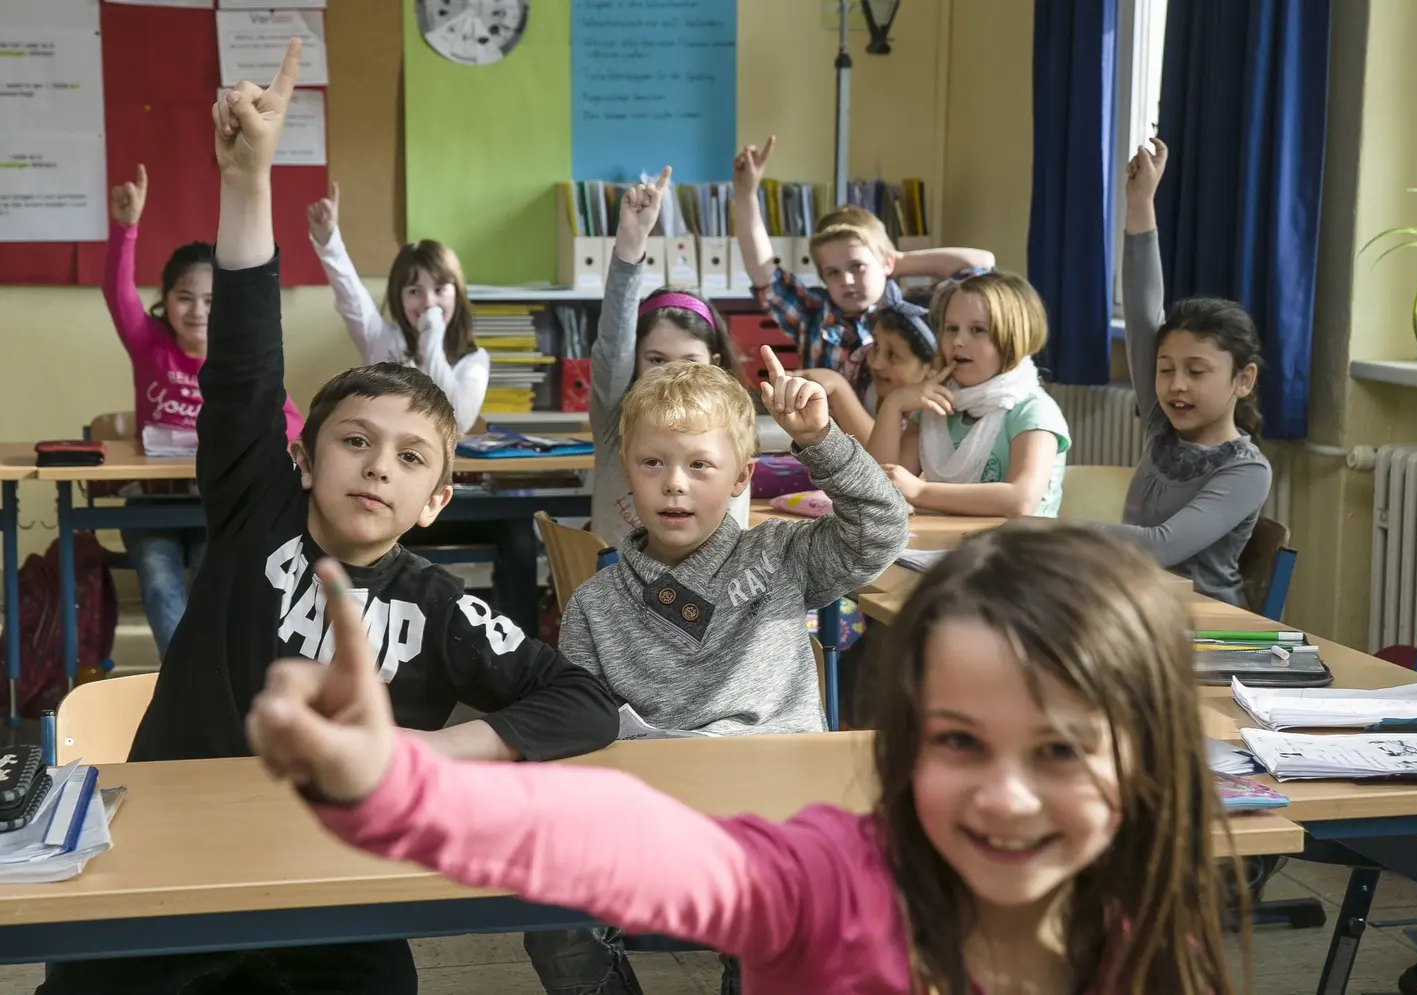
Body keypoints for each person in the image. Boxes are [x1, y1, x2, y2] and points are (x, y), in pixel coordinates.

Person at [39, 40, 618, 995]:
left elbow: (583, 700)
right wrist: (248, 176)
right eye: (353, 440)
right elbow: (244, 358)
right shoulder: (255, 505)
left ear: (436, 502)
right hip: (168, 879)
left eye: (410, 457)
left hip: (331, 897)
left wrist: (437, 748)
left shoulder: (438, 604)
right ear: (303, 455)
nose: (376, 465)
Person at [246, 521, 1248, 995]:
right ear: (901, 741)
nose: (1008, 793)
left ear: (1149, 757)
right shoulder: (830, 882)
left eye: (1062, 749)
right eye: (958, 740)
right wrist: (400, 783)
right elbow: (634, 842)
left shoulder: (1142, 920)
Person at [525, 350, 909, 995]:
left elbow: (882, 529)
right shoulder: (597, 602)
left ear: (740, 478)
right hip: (654, 814)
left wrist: (818, 440)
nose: (675, 484)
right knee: (552, 918)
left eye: (701, 465)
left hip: (776, 809)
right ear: (628, 473)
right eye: (654, 463)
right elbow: (577, 728)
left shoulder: (784, 557)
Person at [103, 162, 305, 658]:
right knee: (159, 584)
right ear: (165, 302)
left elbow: (290, 418)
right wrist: (126, 229)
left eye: (212, 300)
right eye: (185, 298)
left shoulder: (239, 362)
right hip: (151, 503)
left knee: (217, 589)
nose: (197, 311)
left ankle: (216, 684)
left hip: (218, 502)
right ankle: (180, 682)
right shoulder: (148, 344)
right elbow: (116, 292)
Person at [1101, 139, 1271, 606]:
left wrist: (1047, 532)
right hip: (1135, 609)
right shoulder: (1164, 422)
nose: (1176, 385)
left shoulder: (1247, 470)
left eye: (1196, 372)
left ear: (1244, 379)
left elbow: (1160, 545)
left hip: (1206, 629)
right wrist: (1140, 202)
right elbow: (1140, 310)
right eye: (1166, 369)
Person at [733, 134, 994, 371]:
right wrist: (746, 194)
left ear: (885, 262)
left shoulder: (915, 312)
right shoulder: (813, 312)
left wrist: (896, 263)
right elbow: (764, 273)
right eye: (832, 272)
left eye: (857, 267)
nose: (846, 280)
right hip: (825, 424)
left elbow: (980, 264)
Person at [591, 167, 748, 547]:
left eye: (690, 362)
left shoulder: (730, 421)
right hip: (621, 595)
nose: (673, 377)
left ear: (714, 362)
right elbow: (614, 342)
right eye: (657, 361)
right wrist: (631, 242)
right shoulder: (618, 413)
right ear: (635, 363)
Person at [867, 272, 1071, 517]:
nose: (959, 341)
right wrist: (894, 403)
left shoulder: (1033, 411)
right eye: (951, 329)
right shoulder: (934, 405)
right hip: (949, 547)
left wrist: (920, 491)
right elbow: (878, 494)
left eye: (977, 330)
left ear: (1013, 338)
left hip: (1021, 550)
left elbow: (1021, 500)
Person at [307, 180, 490, 435]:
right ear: (398, 296)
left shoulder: (474, 361)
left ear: (457, 294)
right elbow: (349, 293)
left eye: (439, 290)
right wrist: (329, 241)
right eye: (415, 291)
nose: (428, 302)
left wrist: (432, 338)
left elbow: (459, 421)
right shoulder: (380, 339)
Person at [801, 285, 943, 445]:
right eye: (876, 346)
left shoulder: (933, 413)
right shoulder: (859, 371)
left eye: (893, 355)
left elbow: (879, 458)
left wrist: (840, 390)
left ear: (933, 366)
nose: (876, 363)